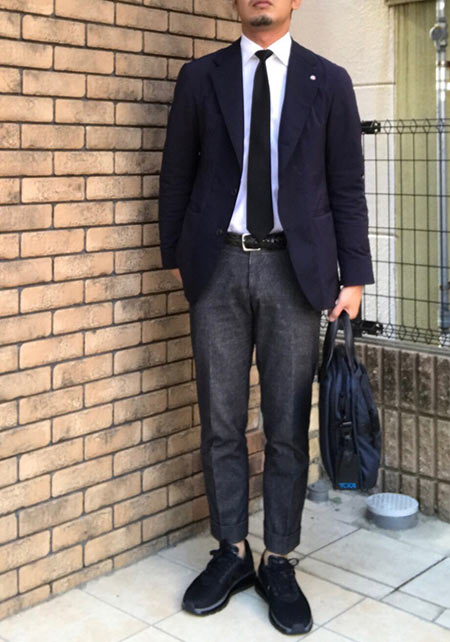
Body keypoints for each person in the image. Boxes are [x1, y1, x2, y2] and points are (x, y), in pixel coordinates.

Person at [158, 0, 374, 635]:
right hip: (217, 268)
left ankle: (279, 559)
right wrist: (177, 255)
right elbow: (176, 172)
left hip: (295, 273)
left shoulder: (328, 80)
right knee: (220, 424)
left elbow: (346, 184)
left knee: (287, 426)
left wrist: (354, 277)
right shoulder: (200, 78)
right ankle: (231, 552)